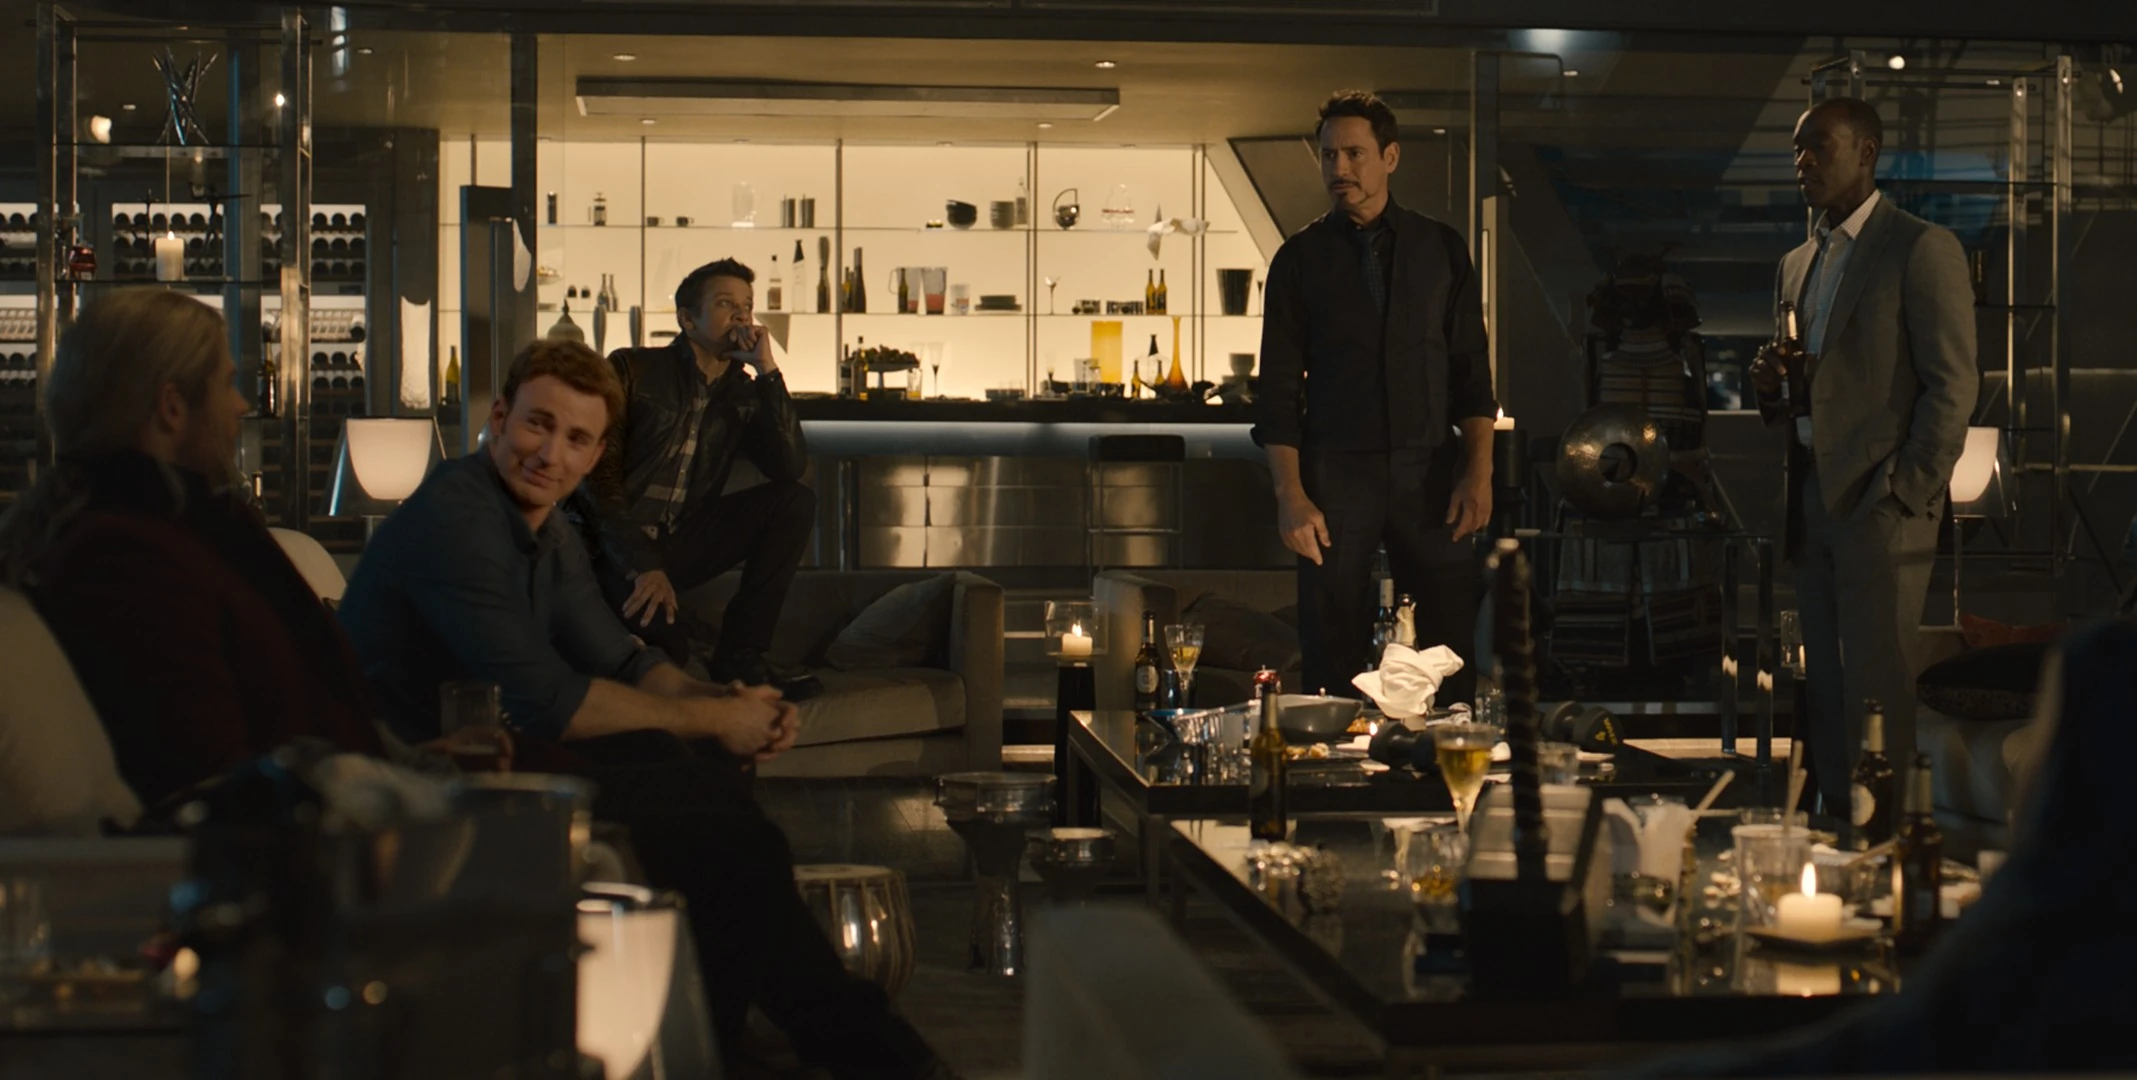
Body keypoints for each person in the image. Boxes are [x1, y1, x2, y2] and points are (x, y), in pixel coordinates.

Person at [338, 339, 944, 1078]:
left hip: (509, 759)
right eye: (537, 425)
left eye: (577, 439)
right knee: (729, 834)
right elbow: (552, 703)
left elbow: (622, 659)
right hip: (424, 778)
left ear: (597, 456)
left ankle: (730, 1044)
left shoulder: (548, 527)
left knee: (711, 791)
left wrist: (726, 701)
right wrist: (718, 720)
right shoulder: (456, 520)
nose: (550, 454)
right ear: (498, 420)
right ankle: (845, 1050)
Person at [0, 288, 399, 805]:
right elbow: (209, 777)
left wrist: (413, 765)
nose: (242, 406)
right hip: (302, 838)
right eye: (227, 384)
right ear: (172, 407)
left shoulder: (175, 531)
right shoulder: (127, 561)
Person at [1749, 97, 1976, 814]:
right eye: (1796, 148)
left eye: (1818, 145)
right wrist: (1771, 386)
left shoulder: (1918, 247)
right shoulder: (1796, 264)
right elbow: (1807, 389)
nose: (1802, 161)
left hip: (1881, 499)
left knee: (1876, 684)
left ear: (1866, 152)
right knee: (1824, 682)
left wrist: (1906, 489)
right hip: (1810, 494)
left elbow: (1952, 383)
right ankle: (1836, 831)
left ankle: (1887, 841)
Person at [1254, 90, 1496, 704]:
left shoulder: (1441, 248)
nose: (1340, 168)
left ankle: (1450, 751)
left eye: (1354, 154)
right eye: (1328, 155)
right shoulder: (1299, 259)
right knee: (1331, 642)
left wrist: (1479, 473)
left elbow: (1472, 372)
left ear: (1390, 157)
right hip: (1335, 472)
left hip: (1430, 468)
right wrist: (1290, 495)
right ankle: (1334, 757)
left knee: (1449, 641)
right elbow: (1277, 390)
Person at [581, 257, 816, 696]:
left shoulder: (743, 393)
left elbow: (789, 467)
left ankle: (741, 654)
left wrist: (767, 372)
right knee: (668, 652)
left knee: (794, 502)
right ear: (687, 319)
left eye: (747, 306)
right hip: (611, 548)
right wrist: (643, 563)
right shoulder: (632, 369)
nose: (741, 316)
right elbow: (597, 480)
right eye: (726, 304)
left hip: (678, 539)